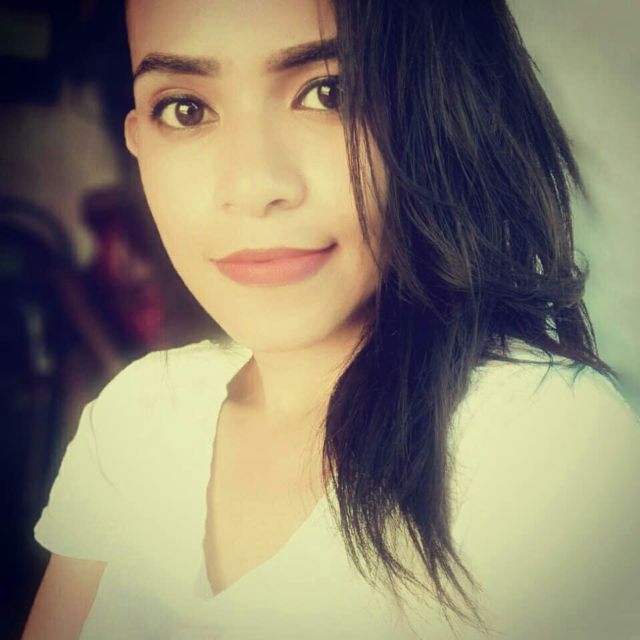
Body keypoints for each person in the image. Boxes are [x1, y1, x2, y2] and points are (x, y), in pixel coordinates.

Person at [22, 0, 640, 638]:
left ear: (436, 109)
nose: (253, 186)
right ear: (138, 143)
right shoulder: (136, 414)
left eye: (329, 92)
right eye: (186, 109)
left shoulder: (541, 442)